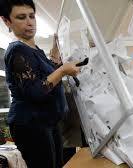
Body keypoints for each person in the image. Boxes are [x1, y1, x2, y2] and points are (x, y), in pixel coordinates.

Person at [0, 0, 80, 167]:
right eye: (21, 17)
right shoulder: (17, 50)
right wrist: (62, 70)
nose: (29, 22)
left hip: (48, 121)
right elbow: (36, 91)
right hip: (31, 124)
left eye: (31, 16)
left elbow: (45, 77)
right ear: (7, 21)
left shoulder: (34, 51)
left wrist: (55, 58)